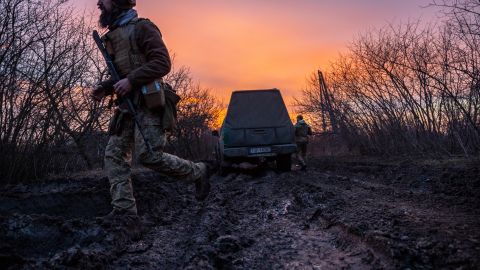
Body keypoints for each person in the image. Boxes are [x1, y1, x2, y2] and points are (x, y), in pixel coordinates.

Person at [92, 0, 212, 220]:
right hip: (127, 105)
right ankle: (125, 215)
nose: (99, 3)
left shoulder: (143, 27)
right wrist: (105, 87)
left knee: (149, 155)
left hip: (150, 101)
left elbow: (162, 63)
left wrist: (131, 80)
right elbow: (123, 72)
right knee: (114, 155)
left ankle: (198, 172)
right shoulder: (114, 34)